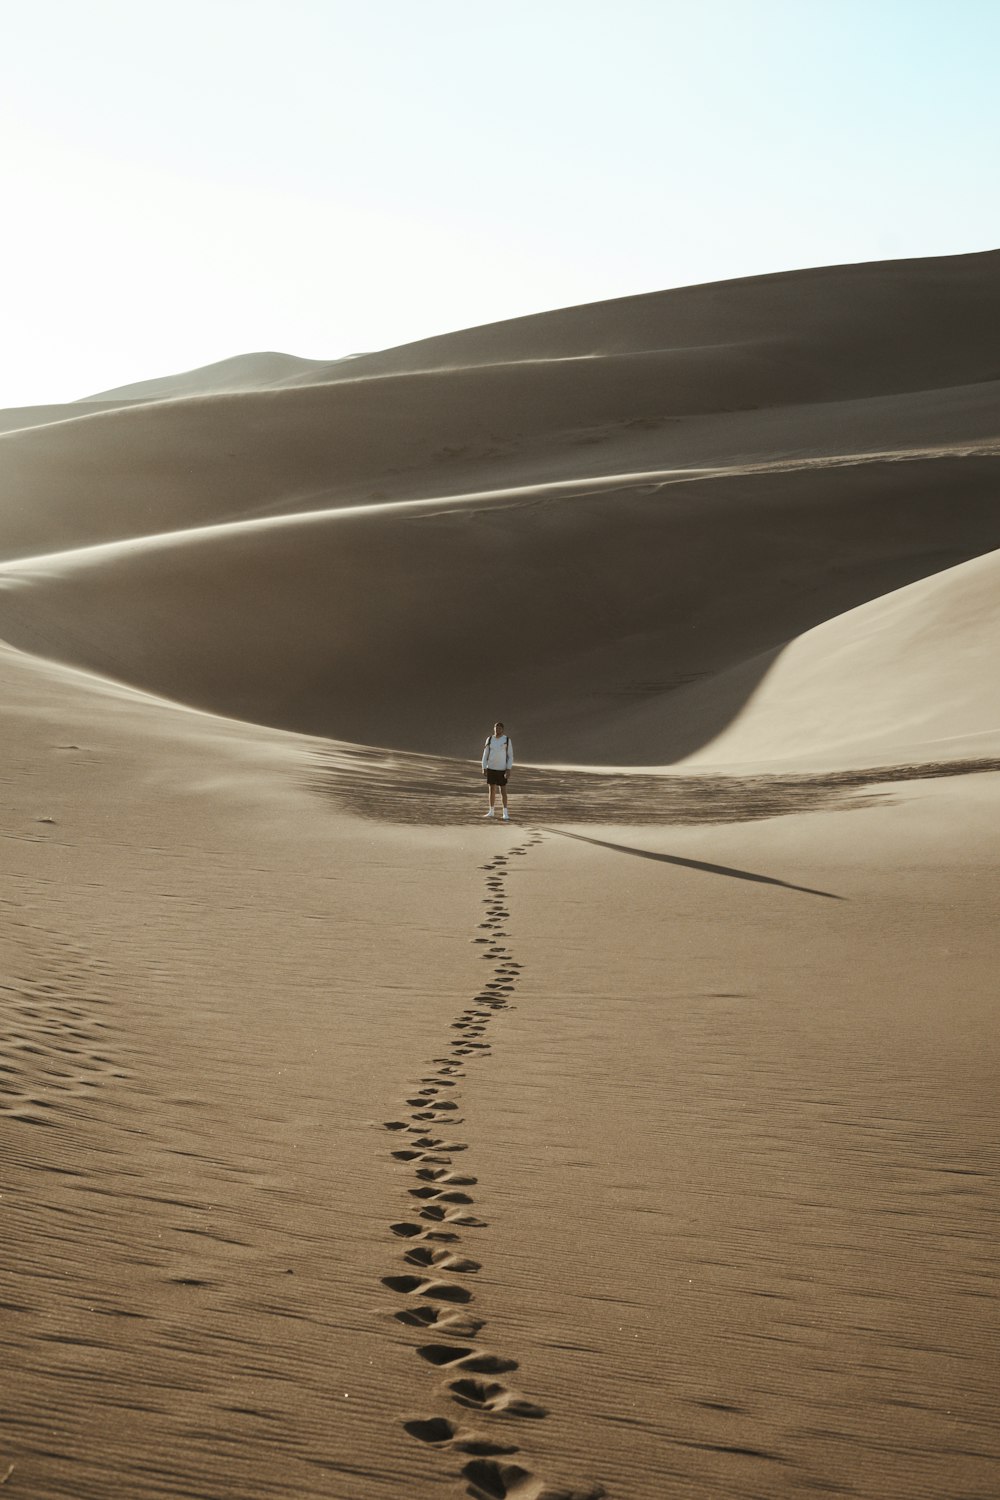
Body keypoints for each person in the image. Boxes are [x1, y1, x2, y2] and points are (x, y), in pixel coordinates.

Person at [481, 720, 514, 820]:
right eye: (496, 727)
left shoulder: (507, 740)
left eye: (499, 727)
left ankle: (505, 812)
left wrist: (508, 769)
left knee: (503, 790)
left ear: (502, 729)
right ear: (494, 728)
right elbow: (485, 754)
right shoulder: (490, 739)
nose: (497, 729)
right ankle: (491, 811)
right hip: (491, 768)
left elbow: (510, 756)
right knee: (491, 789)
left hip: (502, 769)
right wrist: (484, 766)